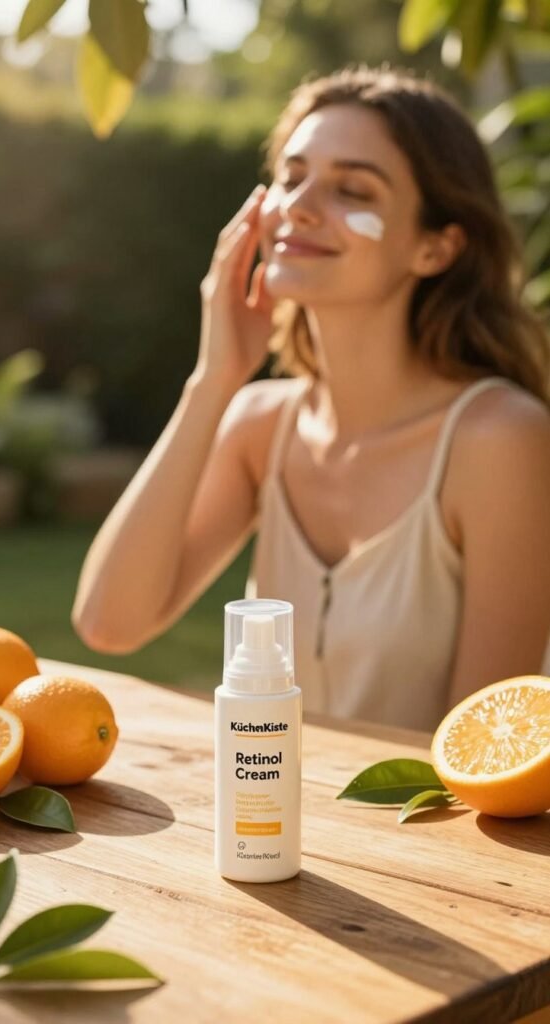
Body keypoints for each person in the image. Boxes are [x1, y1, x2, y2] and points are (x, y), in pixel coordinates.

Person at [72, 66, 550, 731]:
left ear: (435, 247)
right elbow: (109, 623)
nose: (297, 206)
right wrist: (214, 381)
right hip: (265, 797)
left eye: (351, 189)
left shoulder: (500, 440)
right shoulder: (260, 425)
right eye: (291, 177)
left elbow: (489, 744)